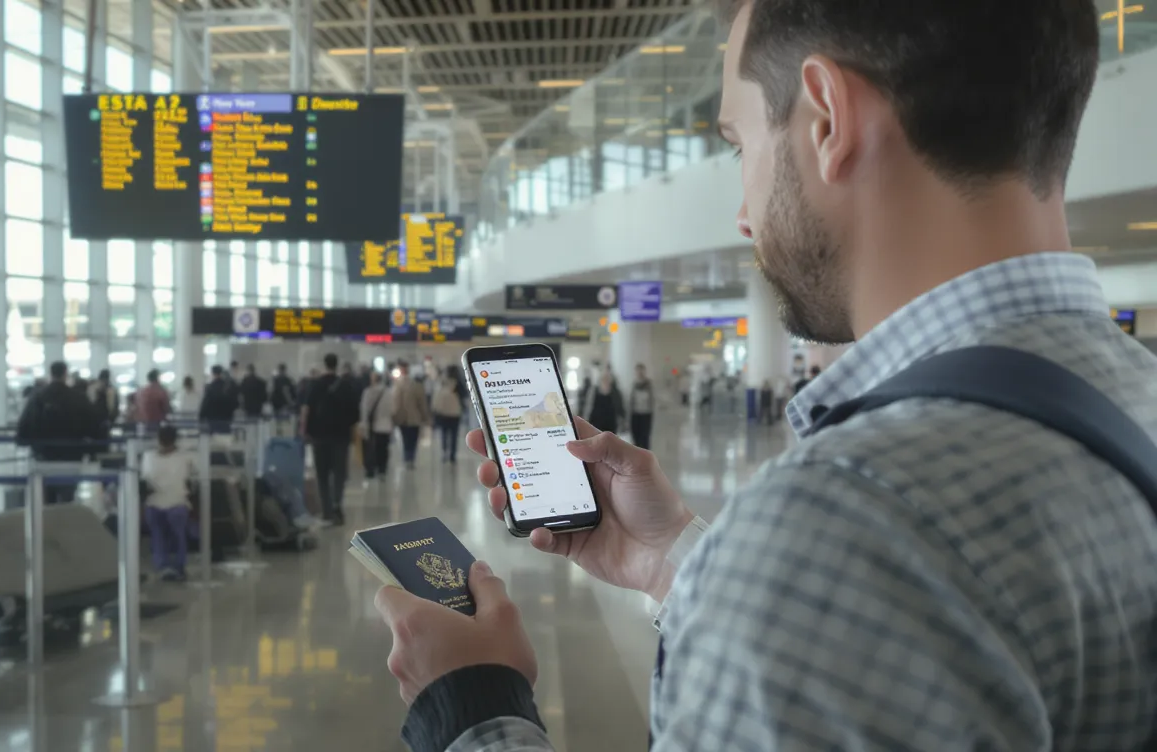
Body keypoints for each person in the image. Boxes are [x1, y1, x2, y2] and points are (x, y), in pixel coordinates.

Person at [373, 2, 1157, 749]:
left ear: (827, 117)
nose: (743, 217)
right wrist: (671, 557)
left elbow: (855, 578)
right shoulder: (1132, 396)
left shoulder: (852, 516)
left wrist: (471, 703)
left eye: (739, 144)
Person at [16, 361, 99, 504]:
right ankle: (65, 522)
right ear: (65, 374)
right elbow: (94, 427)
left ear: (51, 373)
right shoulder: (78, 397)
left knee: (46, 499)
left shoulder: (37, 397)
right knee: (67, 498)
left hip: (43, 457)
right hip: (71, 457)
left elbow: (23, 430)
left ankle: (47, 524)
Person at [301, 354, 357, 526]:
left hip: (319, 436)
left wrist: (304, 431)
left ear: (324, 364)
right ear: (337, 364)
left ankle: (326, 511)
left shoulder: (315, 384)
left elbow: (306, 409)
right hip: (341, 436)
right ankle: (337, 504)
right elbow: (355, 413)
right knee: (339, 473)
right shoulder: (346, 386)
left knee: (322, 474)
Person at [140, 424, 193, 582]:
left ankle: (162, 566)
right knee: (178, 534)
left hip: (154, 504)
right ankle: (179, 567)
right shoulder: (185, 458)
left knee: (158, 534)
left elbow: (145, 483)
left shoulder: (148, 457)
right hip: (178, 504)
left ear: (158, 439)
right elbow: (191, 481)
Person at [391, 361, 430, 470]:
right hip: (413, 418)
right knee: (412, 439)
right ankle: (409, 458)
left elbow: (395, 403)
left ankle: (408, 458)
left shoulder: (396, 386)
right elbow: (422, 403)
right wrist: (425, 417)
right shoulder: (416, 385)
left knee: (406, 439)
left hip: (402, 418)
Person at [358, 369, 395, 480]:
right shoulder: (388, 393)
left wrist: (363, 423)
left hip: (371, 426)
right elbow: (392, 409)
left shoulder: (367, 392)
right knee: (383, 448)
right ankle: (382, 469)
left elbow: (364, 409)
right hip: (385, 425)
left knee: (370, 448)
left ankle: (370, 469)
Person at [430, 366, 464, 464]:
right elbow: (463, 398)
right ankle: (452, 455)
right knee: (454, 435)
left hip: (443, 413)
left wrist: (434, 410)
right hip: (455, 413)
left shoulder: (442, 383)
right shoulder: (459, 385)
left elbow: (436, 397)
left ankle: (444, 452)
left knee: (444, 434)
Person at [629, 364, 656, 450]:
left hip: (646, 414)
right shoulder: (634, 384)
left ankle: (645, 455)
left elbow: (652, 399)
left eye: (641, 371)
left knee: (645, 437)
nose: (639, 373)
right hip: (635, 414)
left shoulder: (649, 384)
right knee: (635, 436)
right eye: (638, 371)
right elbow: (631, 400)